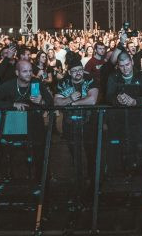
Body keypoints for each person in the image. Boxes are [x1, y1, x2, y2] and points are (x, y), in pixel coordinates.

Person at [0, 60, 53, 181]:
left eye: (30, 71)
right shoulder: (9, 85)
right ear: (17, 72)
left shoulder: (36, 83)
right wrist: (12, 104)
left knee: (39, 152)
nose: (29, 74)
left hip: (34, 124)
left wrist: (41, 101)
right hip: (15, 125)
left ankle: (41, 181)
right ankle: (13, 180)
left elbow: (50, 102)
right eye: (25, 71)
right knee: (16, 155)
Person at [54, 57, 98, 200]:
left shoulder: (90, 79)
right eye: (74, 71)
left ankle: (93, 186)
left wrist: (71, 103)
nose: (78, 73)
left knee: (91, 155)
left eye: (80, 70)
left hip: (89, 123)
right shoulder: (63, 83)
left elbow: (92, 100)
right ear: (69, 72)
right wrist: (70, 99)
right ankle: (79, 185)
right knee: (75, 156)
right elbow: (56, 102)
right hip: (70, 125)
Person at [106, 52, 142, 173]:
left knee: (139, 147)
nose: (125, 68)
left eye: (127, 65)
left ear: (132, 62)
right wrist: (117, 100)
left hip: (139, 119)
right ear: (118, 65)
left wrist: (135, 101)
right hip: (119, 120)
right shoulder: (113, 76)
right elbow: (108, 97)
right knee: (120, 148)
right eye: (121, 66)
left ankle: (140, 173)